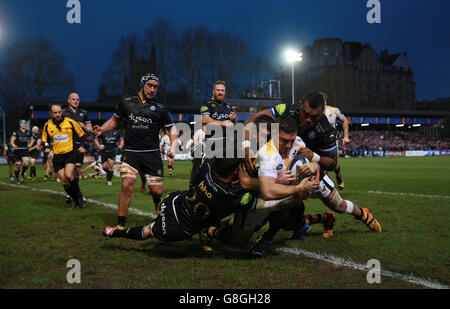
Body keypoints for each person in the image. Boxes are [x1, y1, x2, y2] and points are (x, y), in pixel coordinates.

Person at [103, 154, 318, 246]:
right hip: (180, 227)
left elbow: (218, 158)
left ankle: (115, 231)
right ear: (235, 171)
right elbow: (266, 202)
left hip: (175, 201)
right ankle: (116, 233)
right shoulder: (233, 195)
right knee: (148, 231)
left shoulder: (207, 166)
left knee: (150, 228)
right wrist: (297, 190)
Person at [245, 92, 381, 235]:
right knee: (279, 211)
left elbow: (332, 163)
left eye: (314, 116)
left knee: (339, 205)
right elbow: (252, 119)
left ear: (322, 112)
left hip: (311, 172)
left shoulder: (326, 130)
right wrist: (246, 145)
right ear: (300, 105)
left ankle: (363, 215)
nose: (309, 119)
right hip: (282, 168)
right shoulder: (287, 110)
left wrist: (314, 157)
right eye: (305, 114)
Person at [93, 73, 178, 229]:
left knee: (157, 191)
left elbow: (172, 128)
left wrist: (172, 147)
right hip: (131, 153)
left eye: (155, 87)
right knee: (127, 184)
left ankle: (156, 202)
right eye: (149, 85)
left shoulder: (160, 108)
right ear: (142, 84)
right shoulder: (126, 103)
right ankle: (120, 224)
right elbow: (114, 121)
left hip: (152, 154)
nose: (152, 89)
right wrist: (101, 130)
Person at [189, 81, 237, 188]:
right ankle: (193, 187)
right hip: (212, 142)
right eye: (218, 90)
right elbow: (205, 119)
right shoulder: (207, 103)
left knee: (226, 169)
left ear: (225, 92)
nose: (220, 92)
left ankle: (223, 190)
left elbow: (231, 124)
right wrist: (222, 123)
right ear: (213, 91)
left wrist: (234, 120)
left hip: (227, 142)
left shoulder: (228, 106)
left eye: (222, 90)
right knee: (204, 168)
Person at [42, 103, 87, 208]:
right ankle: (77, 201)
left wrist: (82, 146)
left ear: (62, 112)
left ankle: (79, 196)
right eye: (55, 113)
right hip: (57, 156)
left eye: (59, 112)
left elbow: (82, 134)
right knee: (64, 182)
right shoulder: (47, 125)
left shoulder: (70, 122)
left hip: (70, 153)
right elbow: (45, 139)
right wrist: (46, 147)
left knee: (68, 175)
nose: (58, 114)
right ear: (50, 114)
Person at [63, 93, 92, 202]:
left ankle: (73, 194)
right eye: (73, 99)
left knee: (77, 171)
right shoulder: (63, 113)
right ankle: (72, 194)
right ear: (68, 101)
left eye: (77, 99)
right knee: (67, 173)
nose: (75, 101)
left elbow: (90, 129)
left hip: (79, 146)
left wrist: (84, 126)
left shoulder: (84, 113)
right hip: (66, 146)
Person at [320, 92, 350, 190]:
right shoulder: (313, 113)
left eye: (323, 101)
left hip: (331, 142)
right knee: (322, 166)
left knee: (334, 164)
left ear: (325, 101)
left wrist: (346, 136)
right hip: (318, 142)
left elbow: (344, 120)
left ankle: (338, 175)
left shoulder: (333, 111)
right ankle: (328, 187)